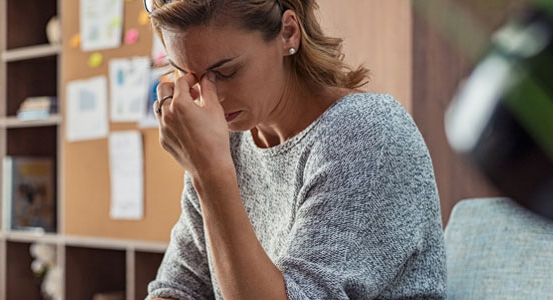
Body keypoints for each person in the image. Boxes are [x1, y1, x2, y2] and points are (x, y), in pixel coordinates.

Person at [146, 0, 446, 299]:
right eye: (188, 76)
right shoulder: (227, 143)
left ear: (288, 33)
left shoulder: (367, 132)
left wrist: (210, 174)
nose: (209, 98)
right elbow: (179, 288)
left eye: (225, 72)